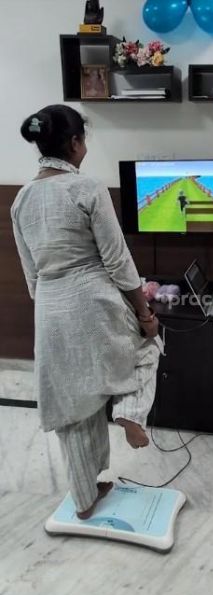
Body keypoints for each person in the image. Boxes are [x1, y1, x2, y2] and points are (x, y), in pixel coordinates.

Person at [12, 105, 161, 519]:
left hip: (50, 308)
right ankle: (130, 414)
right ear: (76, 142)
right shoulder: (88, 188)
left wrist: (51, 313)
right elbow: (118, 261)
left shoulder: (21, 199)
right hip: (94, 298)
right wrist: (145, 315)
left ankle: (83, 498)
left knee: (74, 403)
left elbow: (30, 274)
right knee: (148, 348)